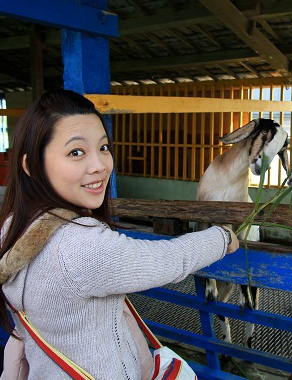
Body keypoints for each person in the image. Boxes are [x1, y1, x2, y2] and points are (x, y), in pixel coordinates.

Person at [0, 89, 239, 380]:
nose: (100, 165)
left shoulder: (13, 225)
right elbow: (166, 260)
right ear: (31, 166)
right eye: (76, 152)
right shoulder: (78, 245)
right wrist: (223, 238)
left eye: (103, 147)